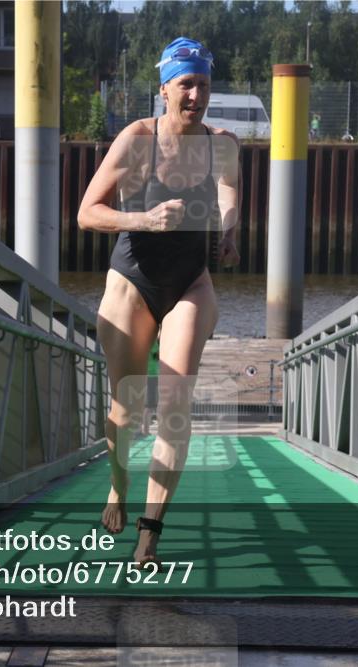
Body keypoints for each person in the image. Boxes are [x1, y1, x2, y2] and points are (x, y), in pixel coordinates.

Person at [77, 37, 241, 568]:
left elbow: (229, 191)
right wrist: (144, 219)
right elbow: (88, 212)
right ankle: (119, 486)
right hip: (132, 282)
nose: (196, 95)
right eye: (186, 84)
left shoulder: (223, 143)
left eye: (204, 85)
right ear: (164, 88)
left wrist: (230, 228)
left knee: (174, 403)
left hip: (190, 282)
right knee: (126, 409)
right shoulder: (136, 140)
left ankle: (151, 530)